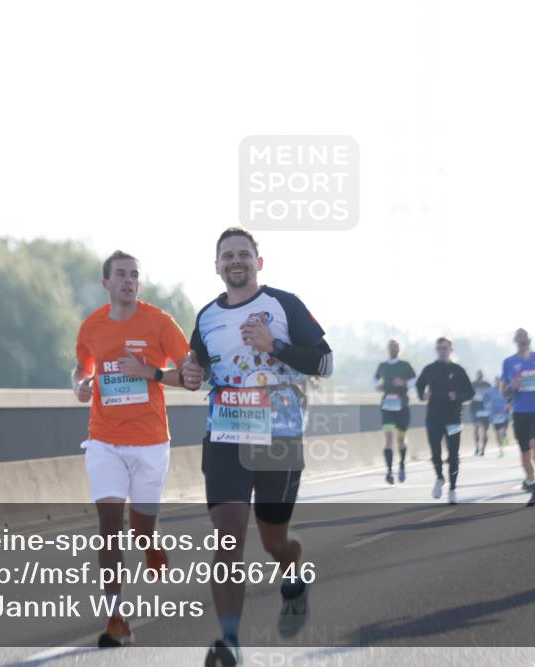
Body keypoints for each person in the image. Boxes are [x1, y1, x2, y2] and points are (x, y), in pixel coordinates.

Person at [180, 228, 333, 665]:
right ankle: (230, 641)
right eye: (227, 255)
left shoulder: (284, 305)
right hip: (226, 433)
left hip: (279, 435)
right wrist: (191, 376)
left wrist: (275, 345)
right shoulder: (207, 317)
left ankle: (293, 570)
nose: (236, 261)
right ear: (216, 266)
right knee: (229, 533)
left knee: (273, 540)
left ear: (258, 263)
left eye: (244, 254)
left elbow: (325, 361)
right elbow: (197, 370)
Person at [72, 250, 192, 648]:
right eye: (120, 275)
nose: (128, 281)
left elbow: (192, 374)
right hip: (104, 439)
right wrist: (80, 385)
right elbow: (82, 366)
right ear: (106, 282)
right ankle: (116, 619)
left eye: (134, 275)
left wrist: (151, 372)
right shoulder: (91, 327)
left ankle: (151, 542)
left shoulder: (160, 323)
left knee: (140, 529)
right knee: (109, 527)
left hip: (150, 442)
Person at [416, 338, 475, 504]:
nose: (442, 351)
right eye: (439, 348)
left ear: (451, 349)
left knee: (453, 455)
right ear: (436, 350)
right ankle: (440, 477)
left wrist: (458, 396)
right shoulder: (429, 369)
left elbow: (470, 392)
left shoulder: (458, 370)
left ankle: (452, 489)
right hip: (434, 417)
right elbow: (419, 385)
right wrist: (423, 395)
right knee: (435, 452)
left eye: (445, 348)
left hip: (453, 418)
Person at [502, 328, 535, 506]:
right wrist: (511, 387)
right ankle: (533, 486)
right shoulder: (509, 362)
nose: (522, 341)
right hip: (520, 412)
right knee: (525, 455)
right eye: (519, 338)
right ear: (515, 341)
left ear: (529, 340)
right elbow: (503, 390)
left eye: (525, 338)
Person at [374, 340, 417, 483]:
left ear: (399, 349)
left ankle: (402, 465)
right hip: (387, 406)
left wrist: (403, 383)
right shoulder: (383, 366)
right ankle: (389, 471)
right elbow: (373, 380)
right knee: (388, 438)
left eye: (395, 347)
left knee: (401, 439)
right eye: (390, 347)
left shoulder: (405, 365)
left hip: (402, 406)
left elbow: (415, 381)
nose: (392, 349)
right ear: (387, 349)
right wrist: (378, 386)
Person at [484, 378, 510, 457]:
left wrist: (509, 407)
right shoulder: (490, 391)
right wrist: (488, 408)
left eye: (500, 381)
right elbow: (485, 401)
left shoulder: (506, 389)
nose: (498, 383)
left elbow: (511, 399)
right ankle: (501, 449)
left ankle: (505, 442)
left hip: (505, 414)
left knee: (503, 431)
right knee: (498, 433)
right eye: (497, 381)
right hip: (494, 415)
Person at [470, 370, 492, 456]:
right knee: (476, 427)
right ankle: (477, 448)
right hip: (475, 408)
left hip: (485, 408)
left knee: (485, 430)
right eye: (478, 374)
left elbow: (491, 396)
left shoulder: (487, 384)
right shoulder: (473, 384)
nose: (479, 375)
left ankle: (483, 449)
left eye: (481, 374)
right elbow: (469, 394)